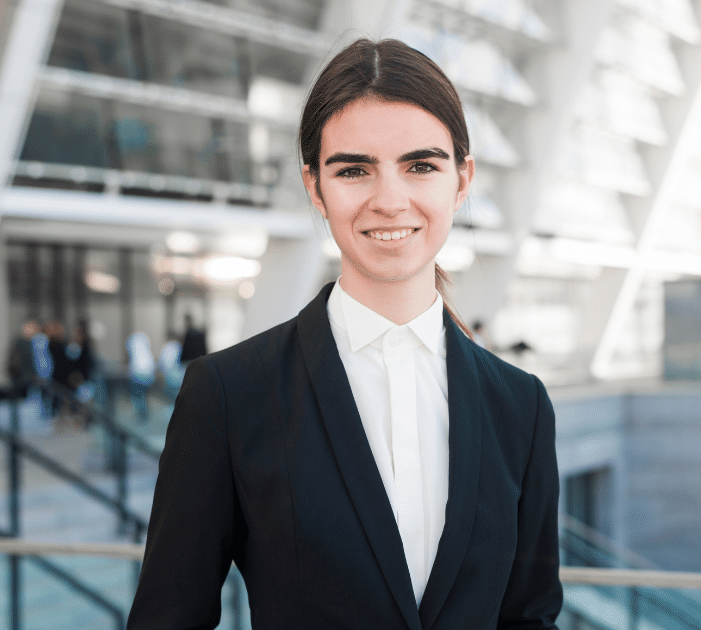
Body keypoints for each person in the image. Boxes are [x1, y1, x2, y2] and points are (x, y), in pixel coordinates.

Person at [129, 38, 562, 630]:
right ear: (315, 186)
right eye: (354, 170)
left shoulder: (521, 406)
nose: (390, 200)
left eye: (421, 165)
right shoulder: (229, 394)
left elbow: (528, 618)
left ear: (462, 180)